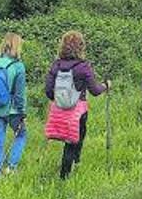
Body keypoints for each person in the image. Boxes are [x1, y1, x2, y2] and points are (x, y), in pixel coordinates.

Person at [45, 31, 108, 179]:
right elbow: (95, 91)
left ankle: (74, 164)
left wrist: (61, 99)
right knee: (73, 141)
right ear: (81, 47)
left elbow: (48, 91)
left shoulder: (56, 66)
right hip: (77, 112)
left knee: (69, 140)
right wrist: (106, 85)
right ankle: (65, 175)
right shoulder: (83, 67)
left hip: (59, 111)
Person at [0, 33, 27, 178]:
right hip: (12, 110)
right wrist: (22, 112)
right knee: (21, 135)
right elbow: (19, 94)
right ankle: (11, 167)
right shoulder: (18, 66)